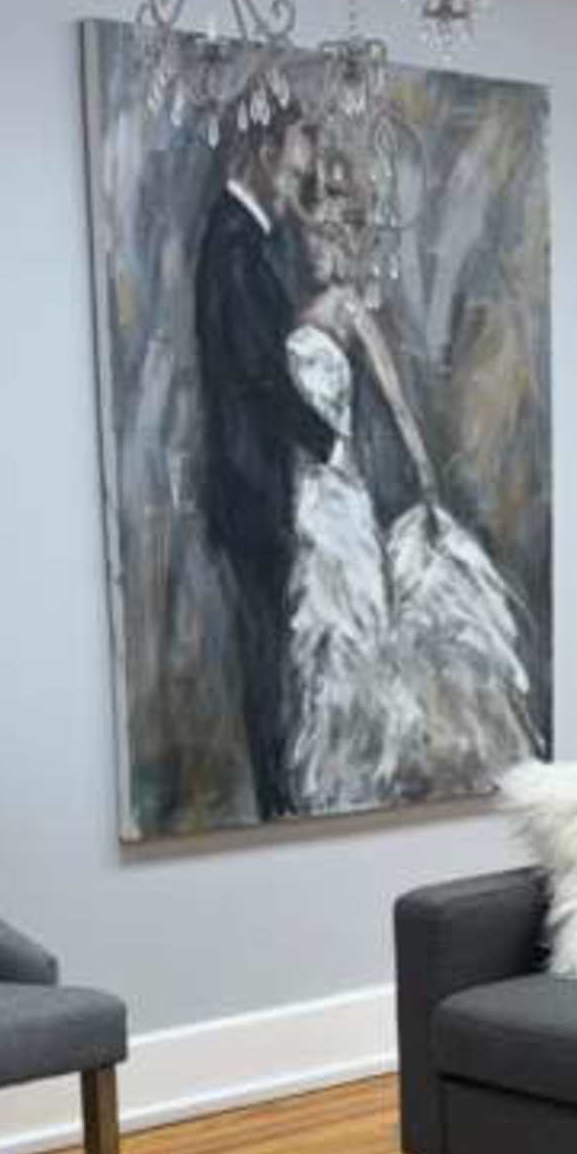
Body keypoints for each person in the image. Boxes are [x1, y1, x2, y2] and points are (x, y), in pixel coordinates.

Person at [275, 147, 535, 817]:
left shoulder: (350, 314)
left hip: (348, 494)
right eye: (318, 229)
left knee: (377, 635)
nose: (328, 242)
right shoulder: (306, 316)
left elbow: (392, 410)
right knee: (334, 637)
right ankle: (347, 782)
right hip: (321, 496)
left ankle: (396, 765)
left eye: (339, 228)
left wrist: (419, 487)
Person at [192, 113, 349, 821]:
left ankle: (287, 794)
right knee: (266, 649)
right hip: (251, 483)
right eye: (289, 174)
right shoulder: (232, 242)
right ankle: (278, 803)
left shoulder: (251, 242)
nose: (293, 194)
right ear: (259, 155)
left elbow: (268, 345)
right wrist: (329, 443)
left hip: (263, 481)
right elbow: (257, 370)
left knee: (280, 646)